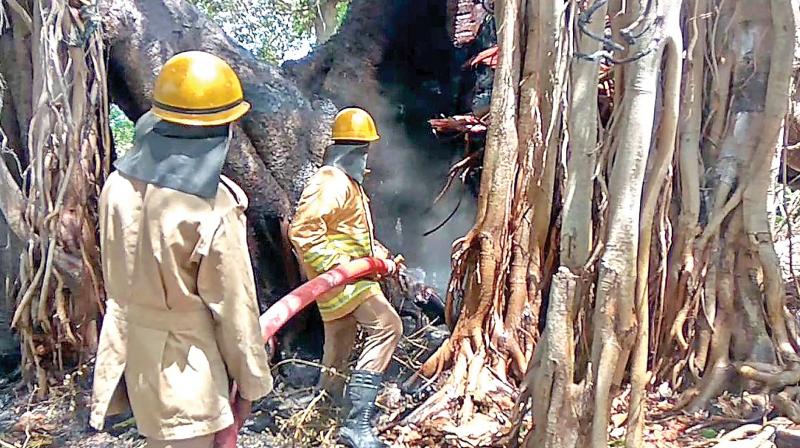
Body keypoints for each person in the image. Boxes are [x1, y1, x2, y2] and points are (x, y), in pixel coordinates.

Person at [89, 51, 273, 448]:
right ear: (219, 129)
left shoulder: (117, 186)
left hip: (132, 356)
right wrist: (254, 378)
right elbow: (233, 307)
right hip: (187, 372)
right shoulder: (214, 206)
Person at [289, 107, 402, 448]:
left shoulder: (347, 185)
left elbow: (351, 234)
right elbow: (303, 231)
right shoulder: (331, 182)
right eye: (364, 150)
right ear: (352, 151)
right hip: (345, 281)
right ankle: (357, 423)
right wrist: (344, 269)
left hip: (345, 282)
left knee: (337, 350)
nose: (367, 159)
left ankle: (320, 420)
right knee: (388, 326)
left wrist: (379, 257)